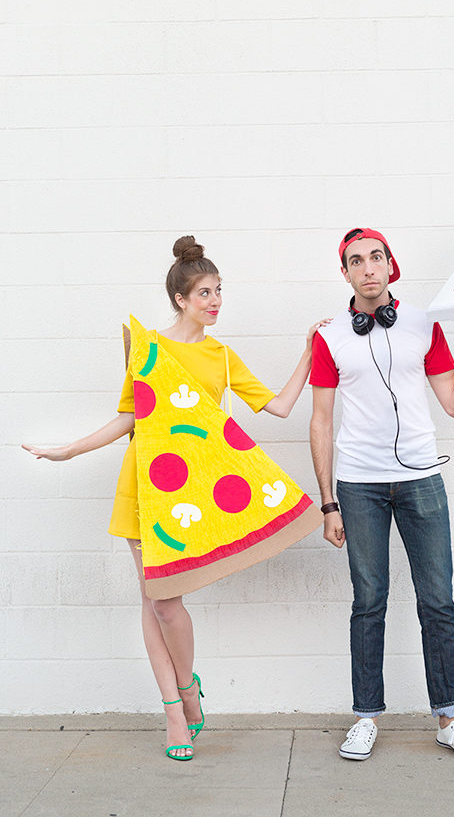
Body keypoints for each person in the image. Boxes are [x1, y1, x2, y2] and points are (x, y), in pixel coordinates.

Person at [23, 236, 327, 762]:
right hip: (143, 485)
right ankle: (173, 710)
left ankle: (188, 686)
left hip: (189, 492)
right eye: (205, 292)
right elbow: (129, 417)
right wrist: (69, 450)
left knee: (167, 603)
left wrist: (307, 352)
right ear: (181, 300)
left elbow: (276, 406)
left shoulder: (221, 357)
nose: (215, 301)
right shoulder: (148, 351)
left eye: (219, 291)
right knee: (155, 601)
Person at [309, 228, 454, 762]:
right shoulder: (329, 337)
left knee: (437, 602)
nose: (368, 267)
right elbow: (321, 419)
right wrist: (328, 502)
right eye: (356, 261)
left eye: (376, 257)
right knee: (368, 602)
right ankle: (366, 717)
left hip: (422, 479)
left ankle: (450, 718)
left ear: (390, 265)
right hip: (358, 485)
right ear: (345, 273)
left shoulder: (424, 324)